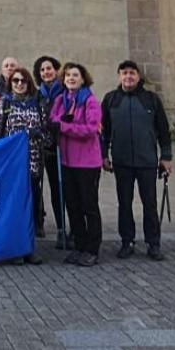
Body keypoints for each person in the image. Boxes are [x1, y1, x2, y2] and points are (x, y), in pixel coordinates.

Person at [101, 60, 173, 261]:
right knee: (124, 203)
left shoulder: (151, 99)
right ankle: (127, 241)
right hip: (122, 161)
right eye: (124, 73)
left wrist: (166, 157)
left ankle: (153, 243)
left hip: (147, 161)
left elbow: (163, 131)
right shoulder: (110, 100)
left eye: (132, 73)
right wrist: (103, 155)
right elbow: (103, 131)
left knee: (149, 203)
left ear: (138, 76)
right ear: (119, 76)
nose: (128, 77)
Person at [0, 66, 46, 262]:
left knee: (29, 206)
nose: (20, 84)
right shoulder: (4, 104)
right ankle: (12, 247)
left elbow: (46, 132)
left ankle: (28, 248)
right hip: (11, 165)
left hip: (32, 162)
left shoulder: (37, 104)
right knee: (11, 206)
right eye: (16, 81)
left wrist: (38, 135)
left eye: (23, 81)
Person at [50, 63, 103, 267]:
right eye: (67, 75)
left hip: (87, 162)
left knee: (89, 205)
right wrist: (61, 125)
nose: (71, 78)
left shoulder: (90, 101)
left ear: (83, 79)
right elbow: (52, 118)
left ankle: (92, 248)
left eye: (75, 75)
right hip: (67, 160)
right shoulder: (61, 100)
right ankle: (79, 245)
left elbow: (90, 129)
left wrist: (64, 127)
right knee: (73, 205)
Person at [33, 55, 67, 246]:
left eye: (49, 68)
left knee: (57, 188)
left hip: (58, 146)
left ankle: (62, 227)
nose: (46, 72)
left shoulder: (63, 92)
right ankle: (38, 221)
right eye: (43, 70)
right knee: (36, 186)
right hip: (40, 145)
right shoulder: (37, 94)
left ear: (56, 70)